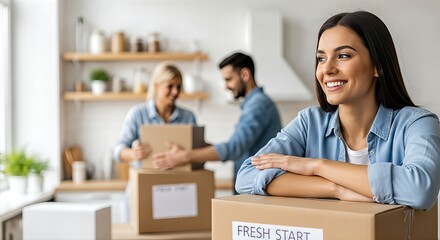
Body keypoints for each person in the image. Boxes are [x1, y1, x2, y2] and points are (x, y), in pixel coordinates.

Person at [235, 11, 440, 210]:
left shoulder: (417, 123)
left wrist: (316, 167)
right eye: (321, 58)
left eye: (343, 55)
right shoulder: (309, 123)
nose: (327, 69)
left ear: (377, 66)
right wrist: (336, 189)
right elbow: (246, 176)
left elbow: (420, 189)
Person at [152, 52, 282, 193]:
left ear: (245, 75)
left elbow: (234, 148)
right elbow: (238, 147)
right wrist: (191, 150)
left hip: (257, 189)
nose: (225, 86)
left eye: (228, 79)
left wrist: (184, 156)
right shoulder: (254, 104)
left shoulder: (259, 105)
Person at [113, 62, 197, 221]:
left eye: (179, 87)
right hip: (144, 187)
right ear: (157, 85)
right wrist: (133, 153)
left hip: (178, 189)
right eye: (170, 86)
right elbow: (118, 150)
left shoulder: (189, 117)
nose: (175, 92)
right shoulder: (137, 114)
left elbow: (195, 155)